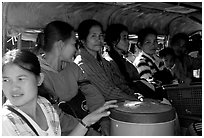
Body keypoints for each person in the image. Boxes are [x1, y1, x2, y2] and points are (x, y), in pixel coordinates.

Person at [2, 49, 118, 136]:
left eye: (21, 79)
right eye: (6, 80)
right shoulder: (6, 123)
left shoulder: (45, 106)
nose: (13, 88)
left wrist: (87, 121)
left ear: (39, 79)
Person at [35, 21, 106, 135]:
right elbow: (57, 118)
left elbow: (92, 94)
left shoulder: (73, 68)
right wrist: (88, 130)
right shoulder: (38, 75)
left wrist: (102, 119)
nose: (76, 50)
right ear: (61, 45)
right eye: (73, 44)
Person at [74, 19, 138, 101]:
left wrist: (133, 94)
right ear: (83, 40)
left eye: (100, 35)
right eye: (93, 36)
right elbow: (107, 93)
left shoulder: (104, 62)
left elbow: (118, 84)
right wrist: (132, 99)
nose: (99, 39)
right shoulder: (82, 64)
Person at [132, 27, 167, 99]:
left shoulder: (158, 60)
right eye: (148, 42)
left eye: (155, 41)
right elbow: (148, 84)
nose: (153, 45)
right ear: (140, 45)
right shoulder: (141, 62)